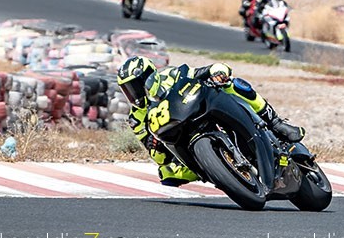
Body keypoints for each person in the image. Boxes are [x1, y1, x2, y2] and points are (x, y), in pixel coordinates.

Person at [116, 56, 305, 186]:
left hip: (202, 110)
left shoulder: (169, 76)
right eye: (128, 89)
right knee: (166, 173)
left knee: (234, 84)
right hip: (183, 142)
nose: (134, 94)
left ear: (149, 76)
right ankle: (219, 174)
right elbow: (157, 157)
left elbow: (201, 71)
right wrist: (154, 145)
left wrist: (217, 72)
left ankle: (275, 122)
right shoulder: (136, 118)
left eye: (135, 86)